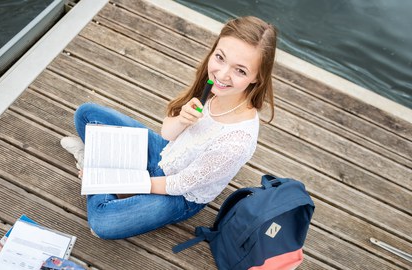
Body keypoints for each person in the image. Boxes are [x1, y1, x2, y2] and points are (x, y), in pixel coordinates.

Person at [60, 16, 277, 239]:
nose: (222, 74)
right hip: (166, 152)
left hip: (179, 194)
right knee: (87, 115)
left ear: (257, 77)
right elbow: (167, 134)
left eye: (240, 70)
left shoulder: (237, 141)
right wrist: (182, 120)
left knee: (103, 224)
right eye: (220, 58)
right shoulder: (212, 87)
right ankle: (103, 165)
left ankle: (94, 162)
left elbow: (179, 183)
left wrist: (111, 179)